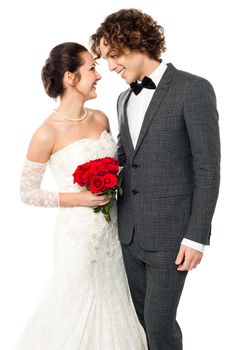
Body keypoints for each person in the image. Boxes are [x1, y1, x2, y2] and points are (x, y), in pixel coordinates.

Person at [91, 8, 220, 350]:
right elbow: (125, 158)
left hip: (172, 236)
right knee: (140, 325)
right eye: (105, 59)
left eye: (113, 55)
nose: (111, 66)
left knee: (160, 327)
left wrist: (197, 236)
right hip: (129, 232)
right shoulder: (122, 99)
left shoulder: (193, 89)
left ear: (135, 42)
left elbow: (207, 166)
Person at [15, 42, 147, 350]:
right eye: (91, 68)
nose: (98, 75)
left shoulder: (101, 118)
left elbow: (121, 167)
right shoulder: (46, 133)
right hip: (79, 238)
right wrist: (79, 199)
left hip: (115, 232)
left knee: (119, 303)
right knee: (78, 306)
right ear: (70, 78)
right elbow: (27, 193)